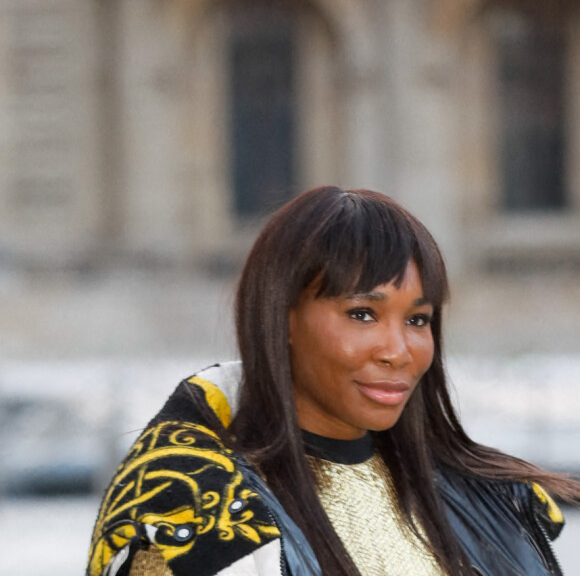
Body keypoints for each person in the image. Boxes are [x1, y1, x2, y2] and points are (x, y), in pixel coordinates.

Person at [87, 186, 579, 576]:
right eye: (363, 314)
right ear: (282, 319)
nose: (398, 351)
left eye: (418, 320)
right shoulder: (195, 517)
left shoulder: (480, 496)